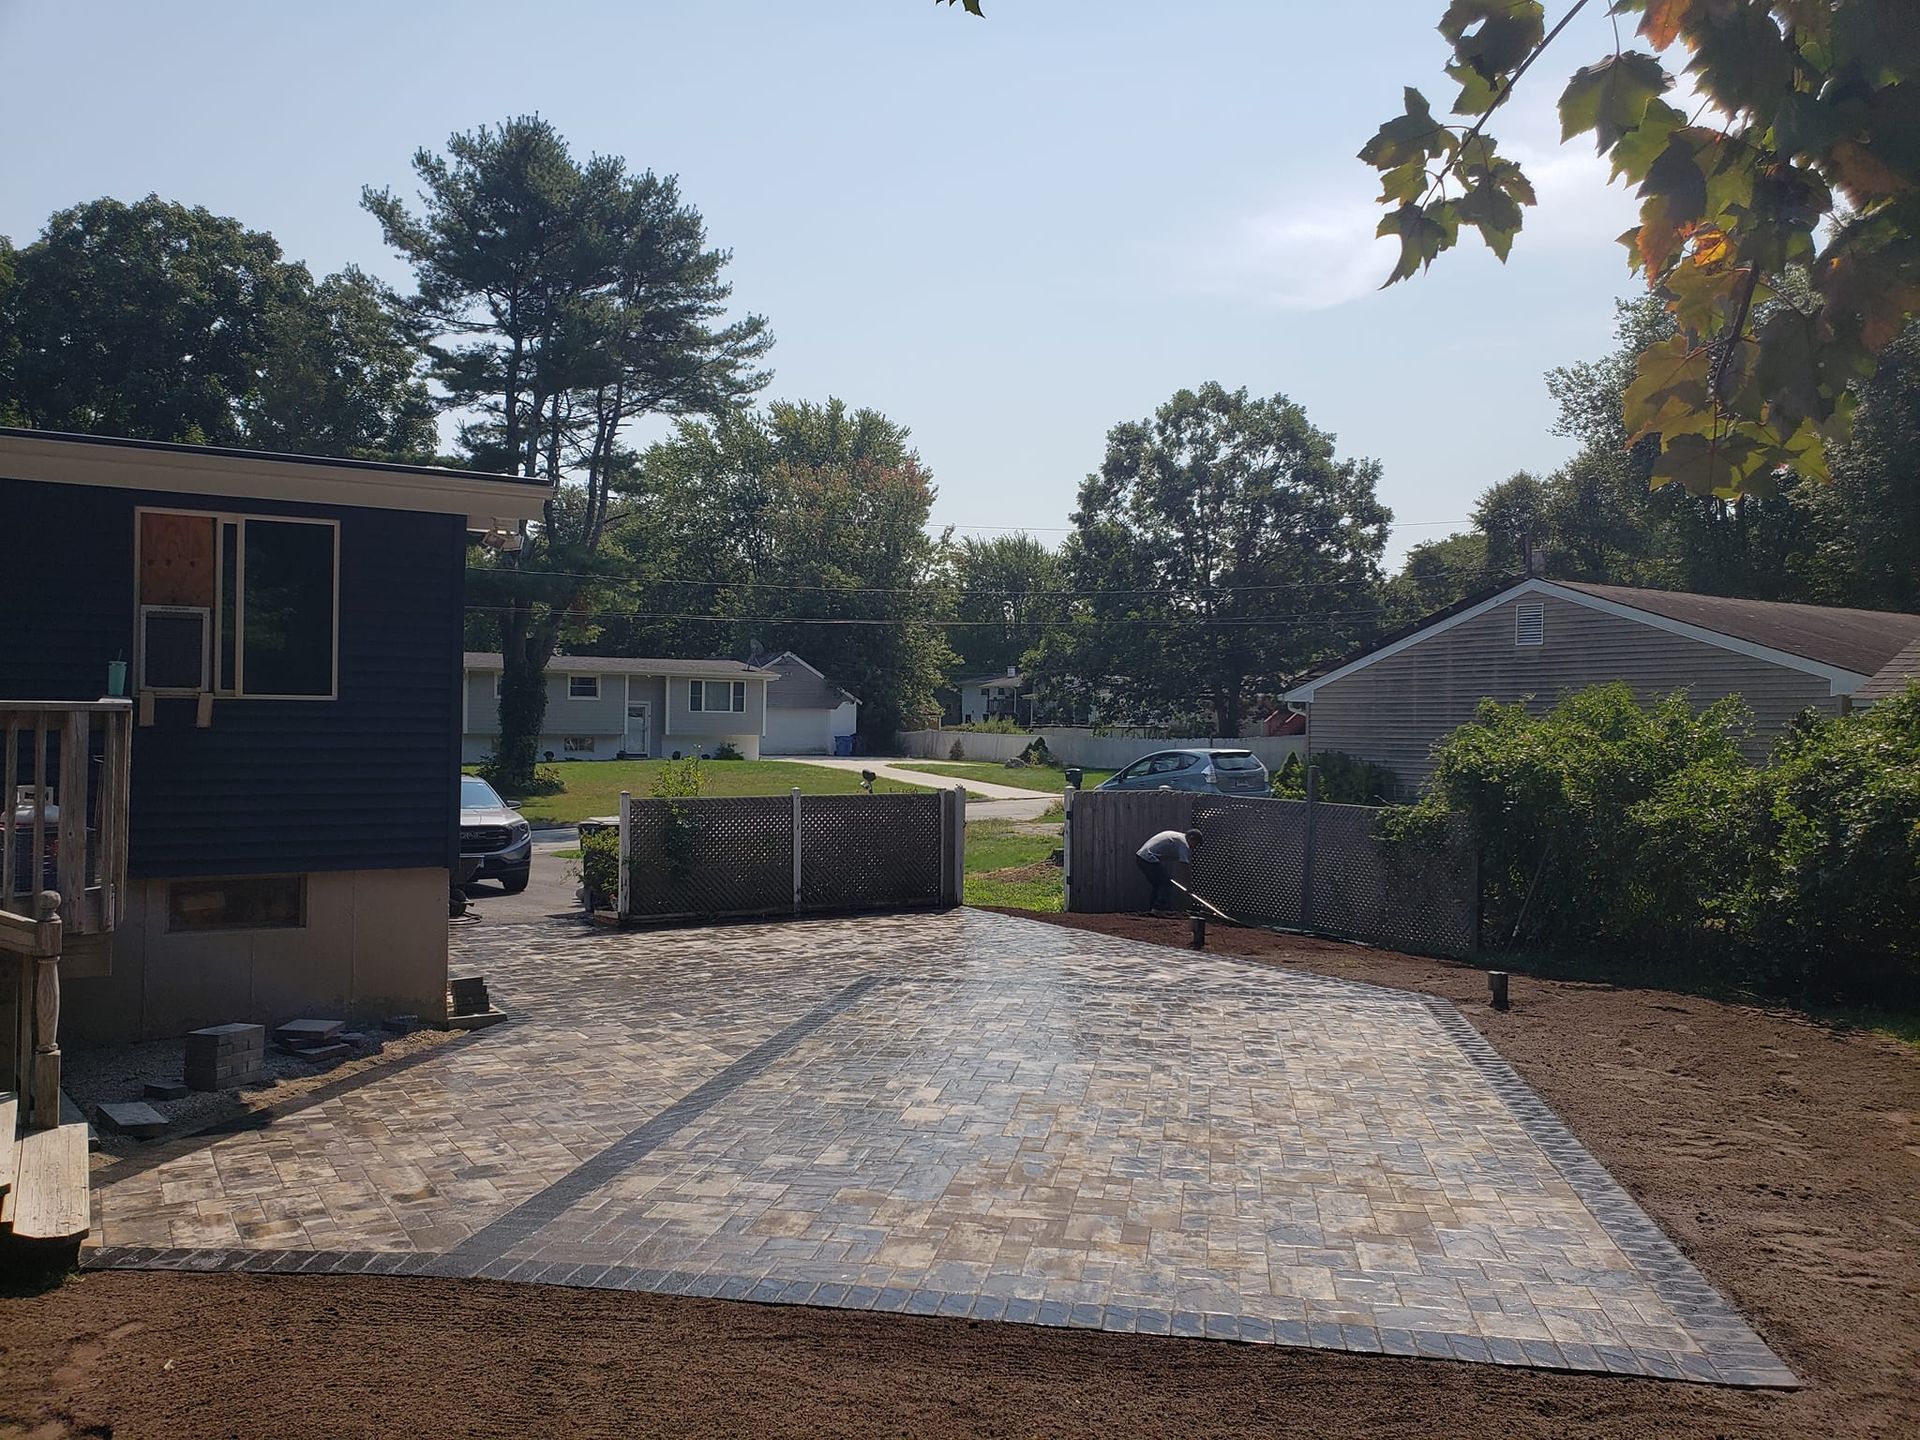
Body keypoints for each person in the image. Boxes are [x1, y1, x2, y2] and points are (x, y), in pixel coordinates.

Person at [1135, 827, 1202, 915]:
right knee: (1166, 883)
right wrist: (1188, 887)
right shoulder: (1183, 842)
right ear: (1191, 838)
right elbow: (1184, 866)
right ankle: (1159, 909)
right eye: (1195, 844)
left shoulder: (1176, 836)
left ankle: (1153, 909)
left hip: (1141, 857)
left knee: (1158, 884)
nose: (1194, 847)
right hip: (1148, 858)